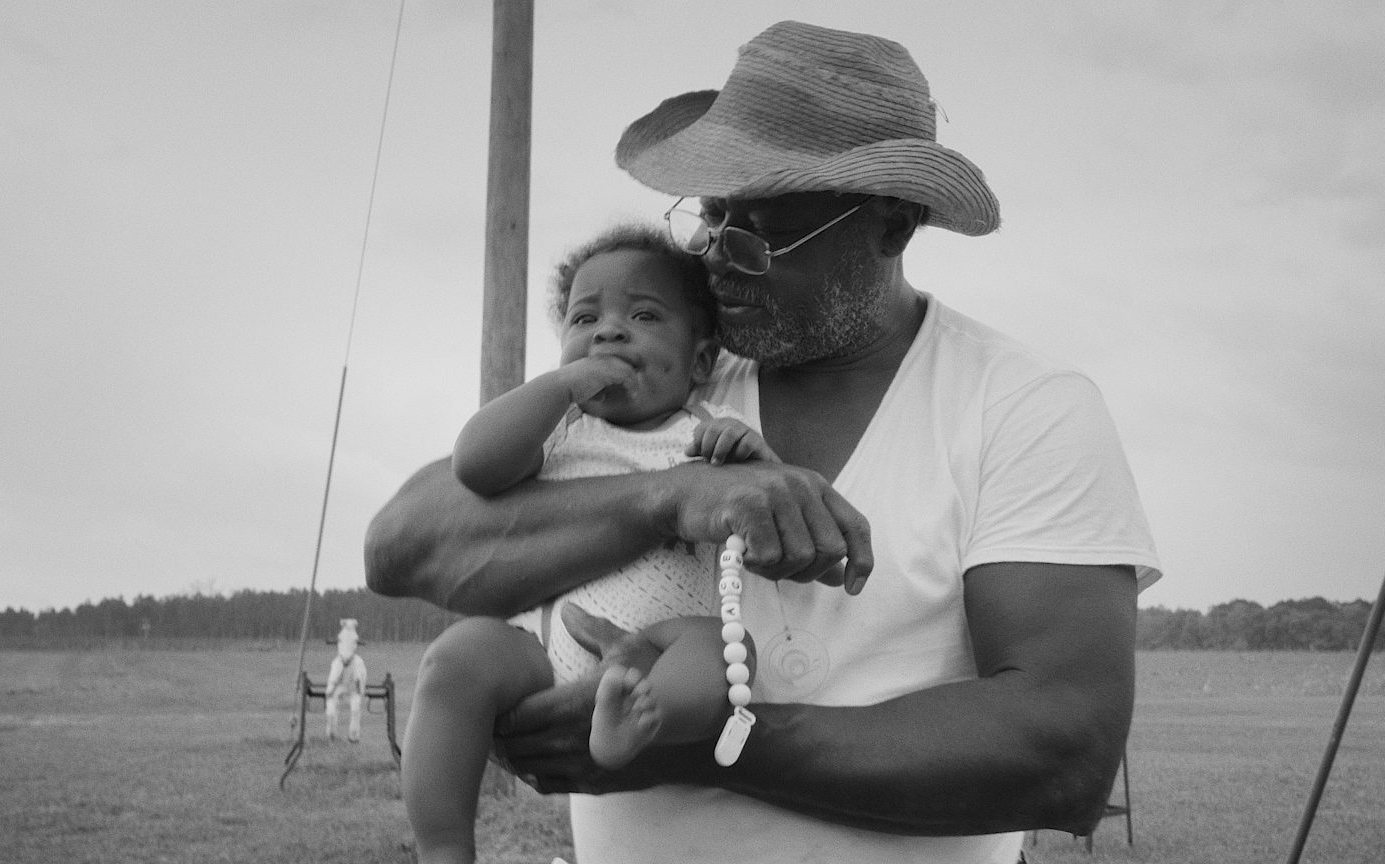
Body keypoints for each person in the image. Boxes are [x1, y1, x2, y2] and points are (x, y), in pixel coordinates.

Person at [367, 20, 1161, 864]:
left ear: (892, 225)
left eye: (761, 231)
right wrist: (672, 497)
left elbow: (1064, 751)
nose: (717, 260)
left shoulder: (1023, 407)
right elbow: (404, 546)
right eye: (712, 218)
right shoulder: (671, 371)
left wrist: (702, 745)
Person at [402, 224, 776, 864]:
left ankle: (640, 718)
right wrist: (558, 389)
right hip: (541, 642)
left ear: (701, 361)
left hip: (661, 644)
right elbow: (476, 464)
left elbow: (768, 509)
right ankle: (442, 845)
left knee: (725, 649)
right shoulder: (559, 433)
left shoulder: (710, 431)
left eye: (643, 316)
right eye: (585, 318)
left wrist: (748, 457)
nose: (609, 333)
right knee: (454, 660)